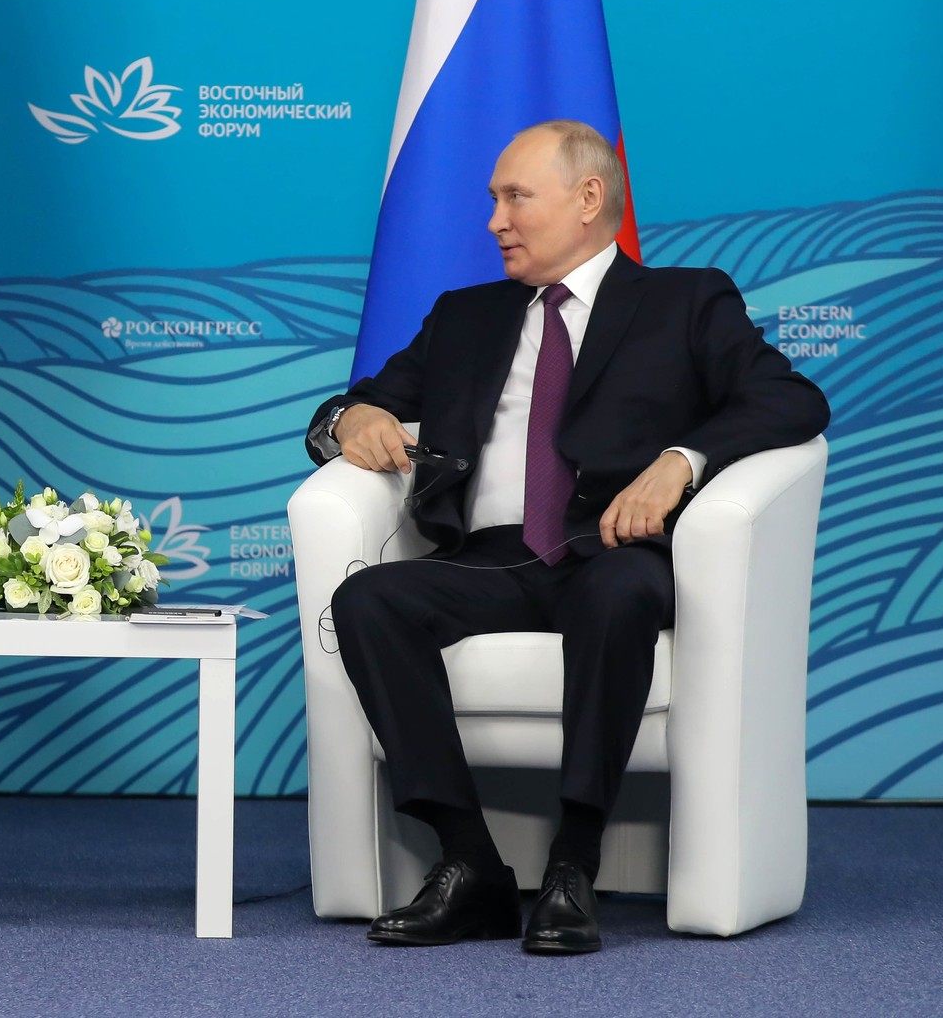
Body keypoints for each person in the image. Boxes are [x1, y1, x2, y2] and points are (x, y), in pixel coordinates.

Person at [307, 120, 828, 954]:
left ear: (589, 200)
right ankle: (468, 861)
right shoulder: (466, 316)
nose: (495, 221)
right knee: (370, 598)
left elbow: (792, 402)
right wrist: (355, 417)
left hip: (612, 555)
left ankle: (572, 865)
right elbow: (353, 404)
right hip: (489, 560)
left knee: (617, 592)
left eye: (515, 198)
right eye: (492, 201)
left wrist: (680, 462)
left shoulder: (684, 302)